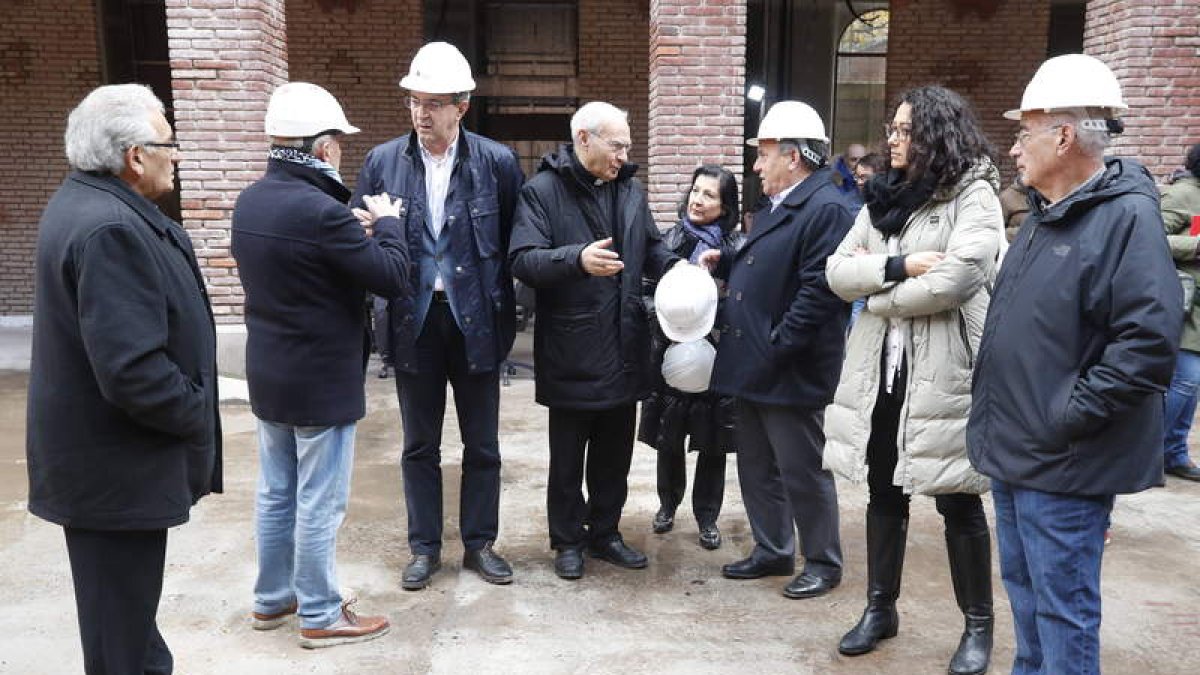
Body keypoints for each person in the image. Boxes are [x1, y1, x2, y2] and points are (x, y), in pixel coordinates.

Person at [967, 53, 1182, 674]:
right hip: (1020, 449)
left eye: (1023, 133)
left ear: (1063, 135)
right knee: (1028, 597)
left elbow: (1146, 344)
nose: (1014, 150)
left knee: (1062, 607)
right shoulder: (1044, 217)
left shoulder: (1125, 218)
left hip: (1065, 459)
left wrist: (1066, 416)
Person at [26, 83, 222, 674]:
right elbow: (134, 372)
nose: (178, 155)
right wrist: (196, 411)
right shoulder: (110, 228)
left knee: (127, 629)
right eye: (170, 143)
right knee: (120, 642)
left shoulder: (93, 205)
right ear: (135, 156)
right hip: (112, 472)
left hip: (103, 471)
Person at [824, 86, 1002, 675]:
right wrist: (897, 267)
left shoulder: (973, 193)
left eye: (904, 131)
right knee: (883, 489)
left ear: (935, 134)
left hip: (944, 372)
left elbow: (960, 277)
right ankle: (880, 609)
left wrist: (881, 300)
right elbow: (838, 272)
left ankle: (977, 627)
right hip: (882, 371)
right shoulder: (878, 198)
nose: (893, 139)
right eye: (892, 129)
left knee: (956, 497)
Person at [232, 82, 408, 648]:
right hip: (319, 379)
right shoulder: (323, 212)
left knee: (276, 492)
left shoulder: (252, 201)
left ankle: (272, 598)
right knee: (319, 500)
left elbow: (297, 265)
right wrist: (388, 224)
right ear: (326, 147)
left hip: (270, 372)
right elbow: (392, 277)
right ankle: (321, 612)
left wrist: (346, 238)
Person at [352, 41, 525, 590]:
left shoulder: (496, 163)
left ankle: (480, 544)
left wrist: (511, 312)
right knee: (419, 444)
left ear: (461, 106)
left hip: (475, 318)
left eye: (433, 103)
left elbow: (514, 243)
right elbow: (356, 236)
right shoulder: (383, 162)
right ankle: (424, 547)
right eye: (414, 102)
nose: (421, 114)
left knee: (483, 444)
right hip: (413, 320)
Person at [509, 101, 680, 580]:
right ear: (583, 138)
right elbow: (523, 259)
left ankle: (605, 533)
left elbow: (651, 248)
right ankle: (567, 540)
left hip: (624, 346)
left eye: (628, 144)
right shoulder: (542, 192)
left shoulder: (630, 191)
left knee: (614, 454)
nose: (625, 153)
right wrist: (576, 259)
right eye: (617, 143)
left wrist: (679, 267)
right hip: (571, 347)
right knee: (567, 459)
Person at [703, 101, 852, 600]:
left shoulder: (826, 208)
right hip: (756, 362)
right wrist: (725, 262)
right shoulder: (784, 205)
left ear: (792, 156)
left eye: (763, 154)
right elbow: (767, 264)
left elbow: (818, 292)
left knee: (801, 469)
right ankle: (772, 548)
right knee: (757, 464)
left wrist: (777, 344)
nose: (755, 165)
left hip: (789, 367)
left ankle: (823, 561)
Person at [639, 165, 743, 550]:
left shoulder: (735, 248)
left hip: (717, 357)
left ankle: (707, 516)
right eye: (696, 191)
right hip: (671, 351)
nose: (698, 200)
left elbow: (744, 298)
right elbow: (644, 290)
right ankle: (668, 504)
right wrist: (666, 317)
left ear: (725, 205)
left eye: (710, 195)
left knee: (713, 442)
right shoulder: (669, 241)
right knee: (670, 436)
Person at [1161, 143, 1200, 482]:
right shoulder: (1183, 195)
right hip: (1185, 304)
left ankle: (1175, 453)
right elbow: (1152, 236)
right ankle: (1151, 450)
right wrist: (1197, 245)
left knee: (1192, 387)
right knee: (1186, 380)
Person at [999, 177, 1031, 243]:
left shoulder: (1045, 194)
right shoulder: (1005, 197)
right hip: (1016, 246)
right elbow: (999, 231)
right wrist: (1020, 233)